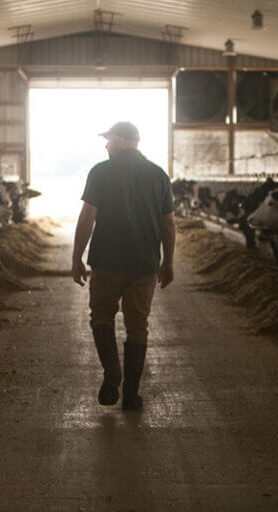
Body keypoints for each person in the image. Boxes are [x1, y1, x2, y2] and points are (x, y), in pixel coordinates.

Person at [71, 121, 176, 411]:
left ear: (120, 140)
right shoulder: (158, 175)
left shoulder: (101, 172)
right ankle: (131, 393)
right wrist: (168, 261)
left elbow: (87, 217)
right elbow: (169, 224)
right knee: (137, 325)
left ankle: (111, 372)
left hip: (107, 261)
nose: (106, 146)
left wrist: (77, 256)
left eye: (108, 140)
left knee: (102, 317)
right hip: (144, 264)